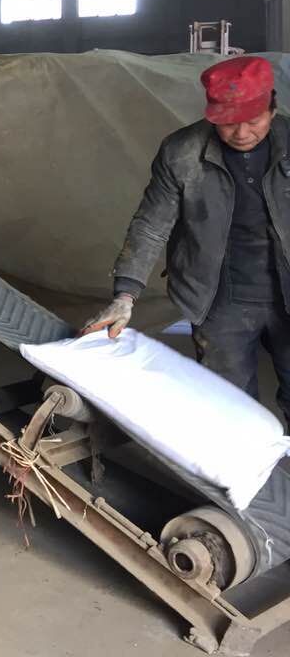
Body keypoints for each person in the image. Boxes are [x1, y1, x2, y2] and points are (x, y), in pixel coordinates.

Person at [84, 54, 290, 426]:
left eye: (253, 120)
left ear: (272, 109)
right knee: (229, 410)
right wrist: (125, 296)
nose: (242, 133)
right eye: (229, 123)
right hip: (218, 299)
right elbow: (151, 224)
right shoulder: (182, 152)